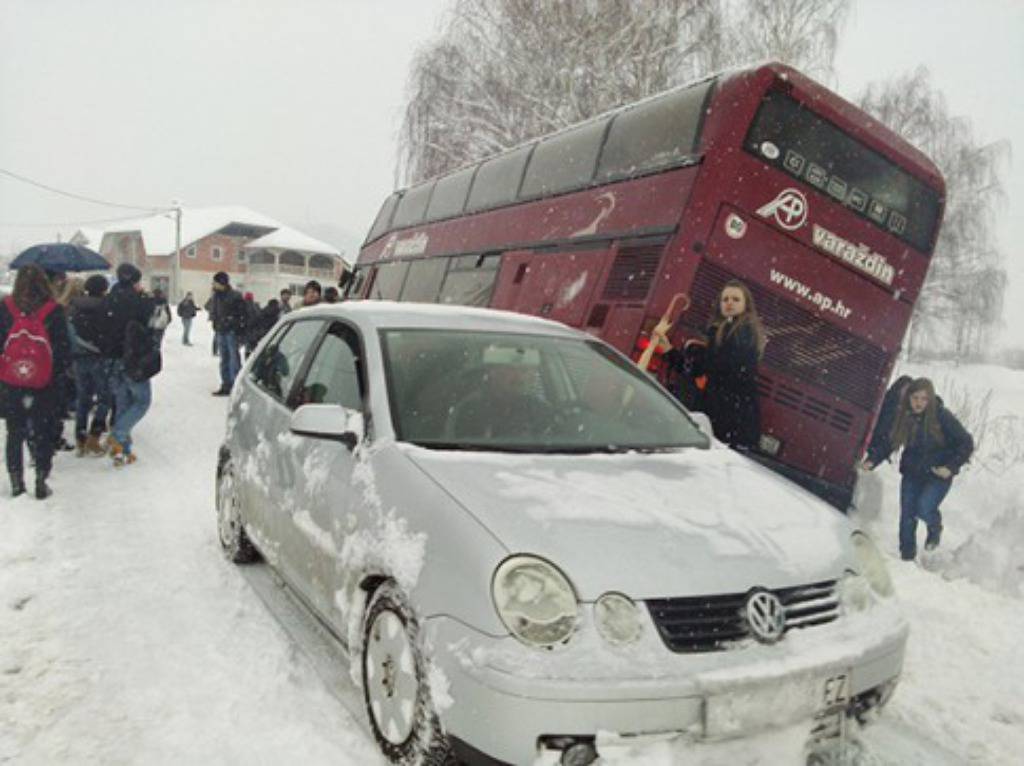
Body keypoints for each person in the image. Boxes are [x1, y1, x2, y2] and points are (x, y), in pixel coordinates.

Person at [863, 378, 973, 560]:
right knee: (907, 516)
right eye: (915, 398)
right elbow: (890, 442)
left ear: (930, 400)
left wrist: (950, 467)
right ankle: (907, 556)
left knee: (924, 508)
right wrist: (872, 461)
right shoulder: (904, 416)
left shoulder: (941, 416)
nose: (919, 403)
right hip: (912, 473)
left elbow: (966, 442)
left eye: (924, 398)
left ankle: (935, 527)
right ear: (909, 398)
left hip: (938, 474)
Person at [0, 264, 71, 498]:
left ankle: (16, 481)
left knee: (14, 432)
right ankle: (41, 478)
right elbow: (63, 351)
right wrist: (56, 377)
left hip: (11, 381)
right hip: (44, 382)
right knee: (43, 431)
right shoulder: (54, 310)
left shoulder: (5, 308)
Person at [698, 280, 765, 449]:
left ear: (745, 305)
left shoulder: (741, 332)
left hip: (728, 419)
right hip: (733, 422)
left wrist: (692, 352)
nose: (729, 303)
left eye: (736, 299)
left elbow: (717, 366)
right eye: (725, 299)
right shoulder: (730, 329)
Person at [69, 274, 113, 456]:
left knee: (83, 398)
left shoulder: (75, 306)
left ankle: (80, 437)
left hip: (79, 357)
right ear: (104, 289)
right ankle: (94, 436)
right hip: (99, 357)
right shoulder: (106, 307)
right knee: (105, 398)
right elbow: (109, 332)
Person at [210, 271, 247, 395]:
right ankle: (226, 384)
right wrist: (215, 322)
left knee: (234, 359)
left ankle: (236, 385)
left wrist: (234, 324)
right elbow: (214, 310)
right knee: (224, 359)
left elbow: (242, 314)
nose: (213, 285)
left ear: (222, 283)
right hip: (221, 331)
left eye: (215, 282)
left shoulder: (235, 296)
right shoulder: (216, 296)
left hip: (231, 332)